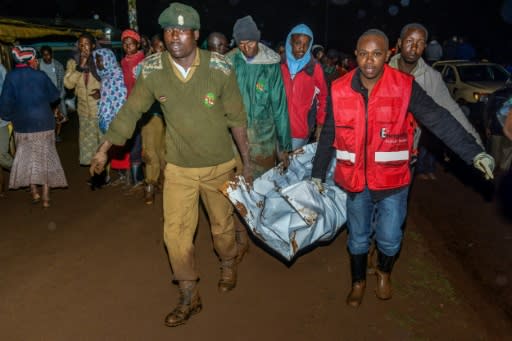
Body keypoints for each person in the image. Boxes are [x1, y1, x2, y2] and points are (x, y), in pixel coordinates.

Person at [89, 2, 252, 327]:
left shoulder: (219, 69)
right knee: (175, 235)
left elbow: (236, 119)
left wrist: (246, 164)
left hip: (219, 165)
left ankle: (229, 259)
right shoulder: (153, 71)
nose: (175, 36)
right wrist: (104, 148)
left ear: (196, 34)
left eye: (182, 30)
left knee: (221, 230)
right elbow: (131, 111)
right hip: (178, 168)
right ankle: (190, 295)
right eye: (169, 31)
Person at [311, 29, 494, 309]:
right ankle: (358, 281)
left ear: (387, 55)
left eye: (376, 53)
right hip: (355, 180)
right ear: (356, 55)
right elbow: (329, 134)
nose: (369, 60)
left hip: (393, 181)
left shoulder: (405, 86)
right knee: (358, 238)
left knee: (390, 236)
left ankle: (384, 272)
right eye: (363, 53)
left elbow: (439, 119)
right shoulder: (339, 89)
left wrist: (474, 153)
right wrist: (317, 174)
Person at [228, 15, 292, 261]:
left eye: (250, 43)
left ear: (258, 40)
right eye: (241, 43)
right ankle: (241, 237)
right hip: (234, 139)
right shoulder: (229, 62)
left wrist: (283, 146)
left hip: (264, 139)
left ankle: (261, 233)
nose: (246, 48)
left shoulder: (270, 65)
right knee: (237, 190)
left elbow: (280, 107)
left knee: (260, 190)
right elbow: (215, 97)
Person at [388, 23, 484, 180]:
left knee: (395, 204)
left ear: (425, 47)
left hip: (405, 159)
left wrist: (477, 150)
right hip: (374, 157)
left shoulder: (431, 78)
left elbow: (452, 112)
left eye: (419, 43)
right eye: (409, 41)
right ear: (399, 42)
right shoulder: (381, 71)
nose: (414, 47)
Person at [0, 46, 67, 208]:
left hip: (23, 125)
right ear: (30, 60)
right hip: (44, 122)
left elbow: (5, 104)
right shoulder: (40, 75)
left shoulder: (11, 77)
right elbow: (54, 96)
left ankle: (34, 192)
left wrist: (7, 117)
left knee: (28, 157)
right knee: (44, 157)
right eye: (35, 59)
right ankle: (45, 197)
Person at [281, 24, 327, 150]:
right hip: (277, 128)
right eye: (298, 43)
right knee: (276, 167)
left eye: (306, 44)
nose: (302, 48)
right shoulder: (279, 64)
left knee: (292, 166)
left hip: (300, 130)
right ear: (290, 41)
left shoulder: (314, 67)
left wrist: (320, 124)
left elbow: (323, 98)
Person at [64, 33, 101, 166]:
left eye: (86, 44)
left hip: (101, 110)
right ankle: (95, 173)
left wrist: (102, 91)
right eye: (80, 44)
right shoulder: (73, 62)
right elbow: (68, 84)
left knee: (103, 144)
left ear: (93, 45)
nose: (83, 47)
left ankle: (104, 174)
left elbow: (113, 81)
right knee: (89, 145)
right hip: (84, 112)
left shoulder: (100, 60)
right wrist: (80, 67)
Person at [141, 34, 166, 204]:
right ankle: (149, 185)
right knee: (150, 153)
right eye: (158, 47)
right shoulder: (147, 66)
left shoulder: (176, 65)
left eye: (163, 47)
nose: (161, 50)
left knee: (165, 153)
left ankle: (162, 182)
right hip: (152, 115)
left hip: (171, 117)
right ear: (152, 47)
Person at [120, 29, 146, 191]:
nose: (128, 47)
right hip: (129, 105)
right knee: (132, 140)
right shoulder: (123, 61)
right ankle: (134, 176)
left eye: (131, 44)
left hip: (142, 106)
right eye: (125, 44)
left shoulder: (143, 61)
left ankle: (141, 178)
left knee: (140, 141)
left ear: (138, 44)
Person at [38, 46, 67, 141]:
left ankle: (56, 134)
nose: (47, 57)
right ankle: (47, 135)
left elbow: (62, 82)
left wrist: (60, 97)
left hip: (55, 95)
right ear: (41, 55)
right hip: (43, 96)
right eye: (44, 55)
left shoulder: (58, 66)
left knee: (59, 116)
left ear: (52, 54)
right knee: (46, 116)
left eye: (48, 54)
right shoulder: (37, 65)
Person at [0, 57, 12, 171]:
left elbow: (8, 92)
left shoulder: (1, 69)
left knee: (1, 156)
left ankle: (21, 173)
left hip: (1, 120)